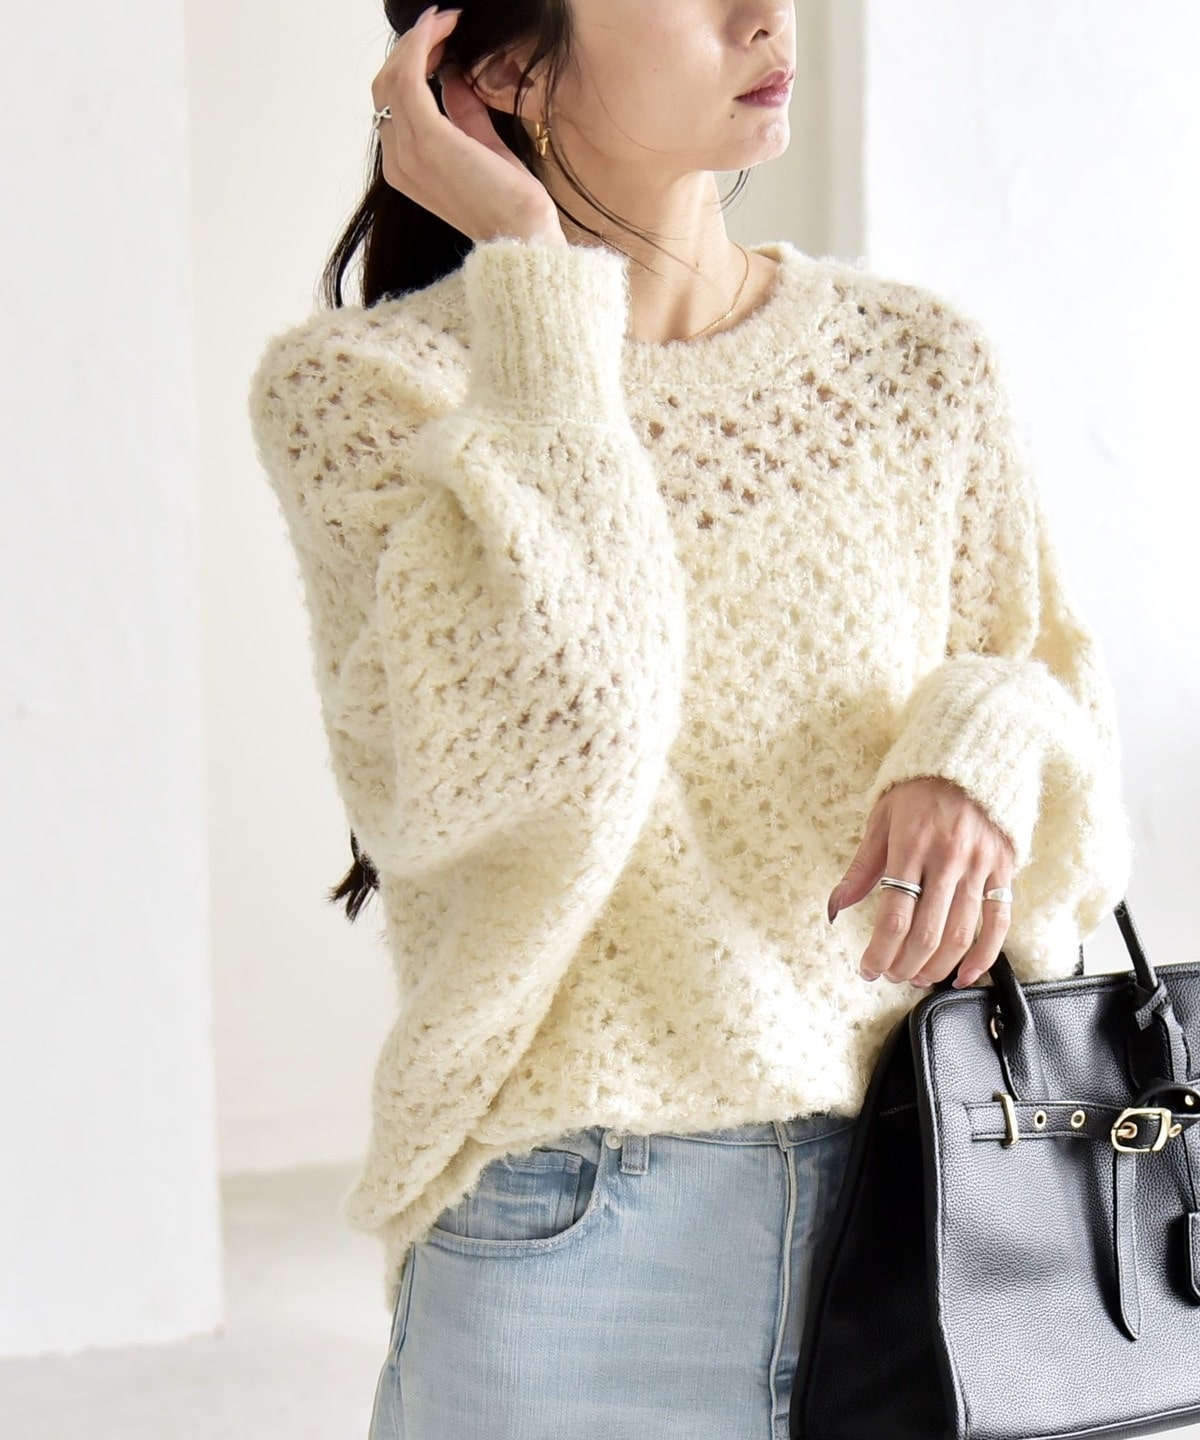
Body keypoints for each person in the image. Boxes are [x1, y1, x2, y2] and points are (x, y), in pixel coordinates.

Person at [245, 2, 1133, 1435]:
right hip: (574, 1236)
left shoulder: (919, 364)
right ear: (505, 65)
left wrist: (975, 746)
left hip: (931, 1212)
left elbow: (1061, 706)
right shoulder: (368, 395)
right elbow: (553, 738)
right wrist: (535, 281)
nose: (764, 14)